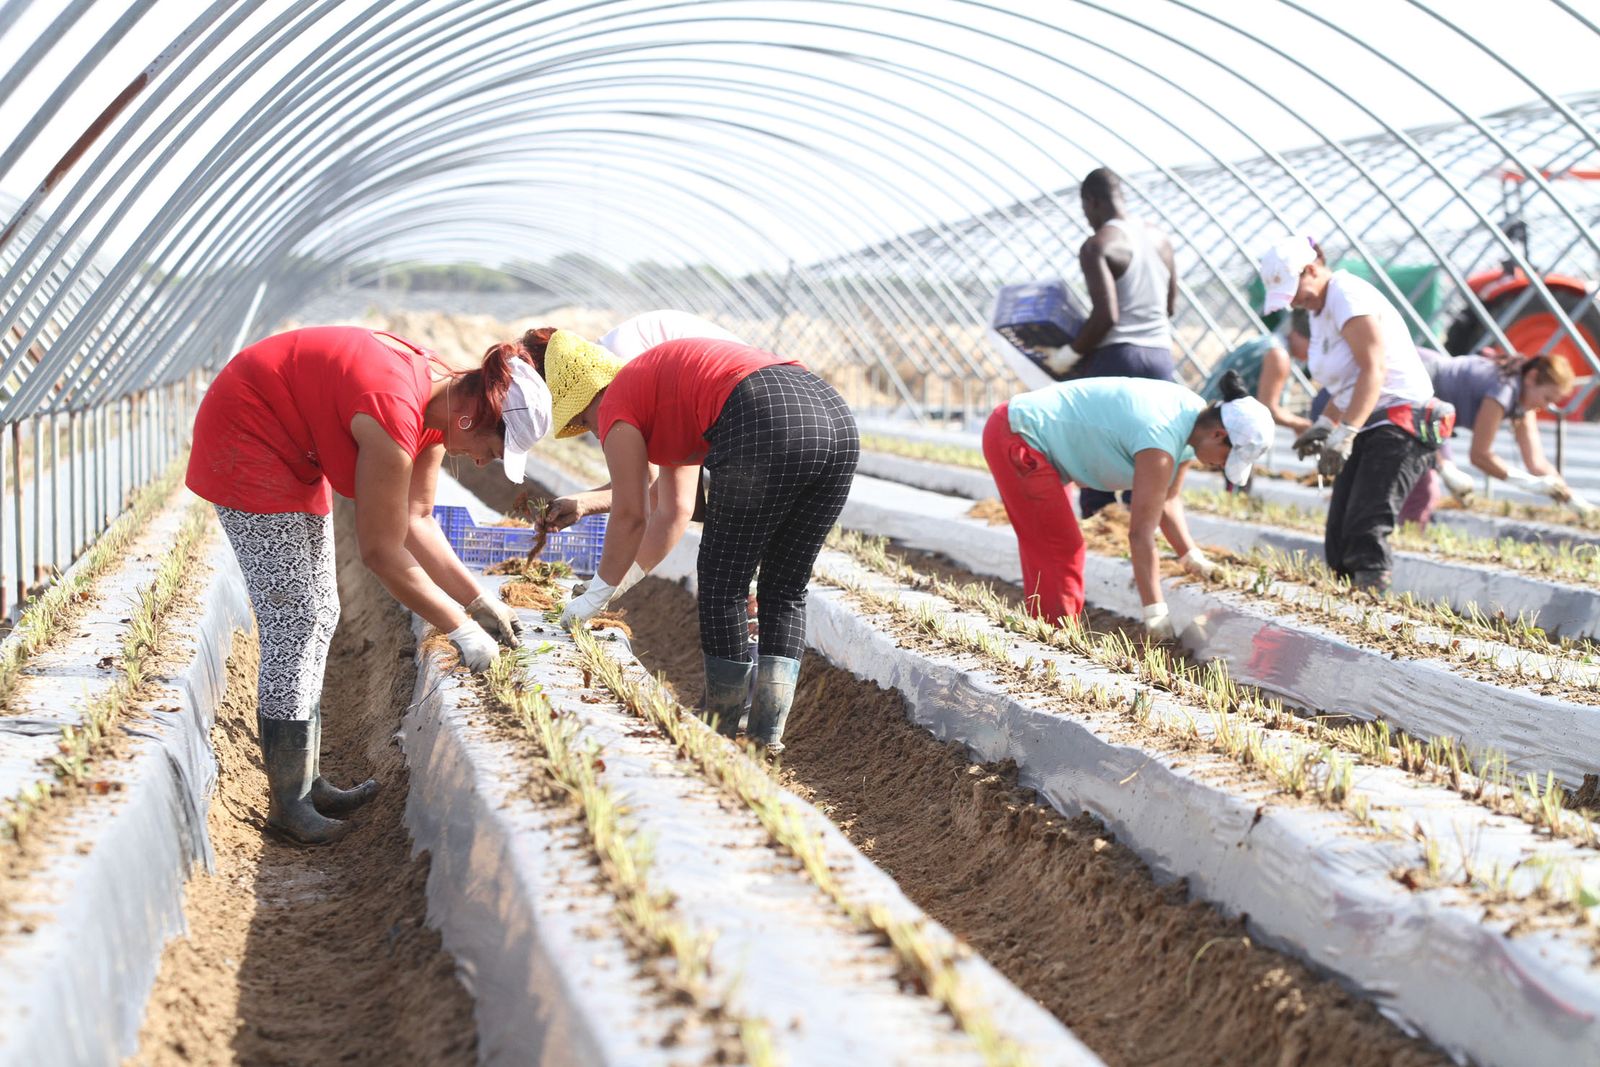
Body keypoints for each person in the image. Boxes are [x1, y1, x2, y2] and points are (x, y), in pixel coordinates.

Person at [187, 326, 550, 843]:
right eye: (492, 449)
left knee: (321, 612)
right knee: (296, 619)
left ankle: (307, 781)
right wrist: (461, 629)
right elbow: (381, 550)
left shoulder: (438, 403)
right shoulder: (394, 411)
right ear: (473, 416)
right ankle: (288, 804)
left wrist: (478, 598)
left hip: (293, 443)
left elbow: (417, 519)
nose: (482, 461)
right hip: (249, 435)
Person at [543, 330, 858, 753]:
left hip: (764, 417)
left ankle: (720, 729)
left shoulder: (616, 407)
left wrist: (595, 595)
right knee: (785, 587)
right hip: (834, 416)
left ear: (586, 402)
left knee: (723, 579)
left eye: (582, 422)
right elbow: (671, 504)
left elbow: (631, 513)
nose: (592, 433)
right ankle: (766, 734)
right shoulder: (654, 387)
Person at [982, 372, 1273, 640]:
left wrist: (1191, 556)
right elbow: (1140, 534)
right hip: (1019, 435)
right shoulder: (1159, 440)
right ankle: (1053, 639)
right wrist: (1154, 612)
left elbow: (1167, 499)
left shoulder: (1193, 420)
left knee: (1052, 544)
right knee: (1061, 547)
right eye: (1226, 458)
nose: (1221, 466)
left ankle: (1047, 629)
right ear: (1219, 434)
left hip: (1036, 436)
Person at [1261, 235, 1453, 592]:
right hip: (1369, 421)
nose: (1294, 302)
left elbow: (1373, 369)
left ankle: (1372, 606)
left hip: (1400, 419)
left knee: (1366, 527)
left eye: (1294, 289)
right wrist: (1323, 425)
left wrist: (1345, 430)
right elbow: (1345, 382)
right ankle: (1348, 603)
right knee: (1339, 538)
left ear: (1312, 269)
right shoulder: (1318, 311)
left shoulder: (1347, 295)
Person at [1040, 167, 1180, 519]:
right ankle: (1142, 528)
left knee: (1097, 449)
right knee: (1149, 447)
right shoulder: (1161, 239)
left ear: (1092, 201)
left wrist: (1069, 353)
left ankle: (1101, 521)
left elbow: (1107, 316)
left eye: (1085, 209)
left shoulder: (1098, 245)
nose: (1086, 217)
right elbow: (1170, 306)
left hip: (1119, 357)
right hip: (1160, 356)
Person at [1418, 350, 1579, 514]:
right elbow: (1480, 455)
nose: (1545, 407)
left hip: (1433, 413)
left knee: (1428, 490)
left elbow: (1537, 463)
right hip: (1417, 384)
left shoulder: (1523, 402)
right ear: (1532, 377)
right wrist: (1529, 483)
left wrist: (1573, 500)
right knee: (1424, 494)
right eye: (1546, 398)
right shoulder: (1502, 390)